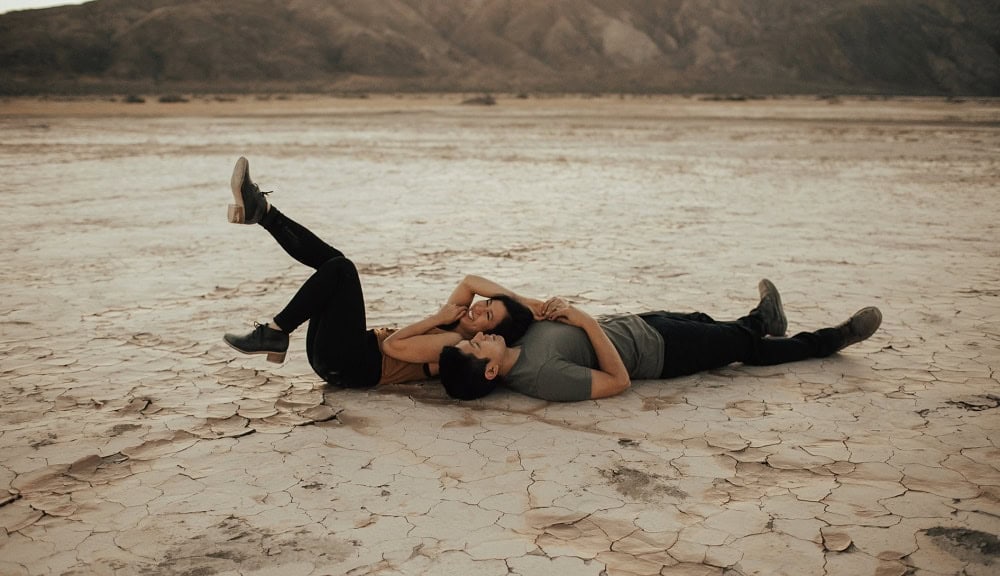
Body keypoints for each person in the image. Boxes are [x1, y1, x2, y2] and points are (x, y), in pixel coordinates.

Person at [222, 156, 536, 388]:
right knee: (334, 263)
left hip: (349, 366)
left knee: (342, 270)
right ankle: (263, 214)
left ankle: (275, 333)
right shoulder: (458, 320)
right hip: (345, 355)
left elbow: (391, 347)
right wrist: (525, 302)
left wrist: (437, 319)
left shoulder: (454, 346)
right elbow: (470, 282)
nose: (478, 308)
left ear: (488, 333)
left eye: (488, 316)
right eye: (486, 303)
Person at [438, 280, 883, 402]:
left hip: (642, 323)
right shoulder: (542, 378)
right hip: (660, 351)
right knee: (743, 343)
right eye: (477, 346)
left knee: (713, 325)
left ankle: (767, 320)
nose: (481, 337)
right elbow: (617, 382)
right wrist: (586, 321)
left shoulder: (514, 341)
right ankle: (828, 337)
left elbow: (488, 290)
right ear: (491, 370)